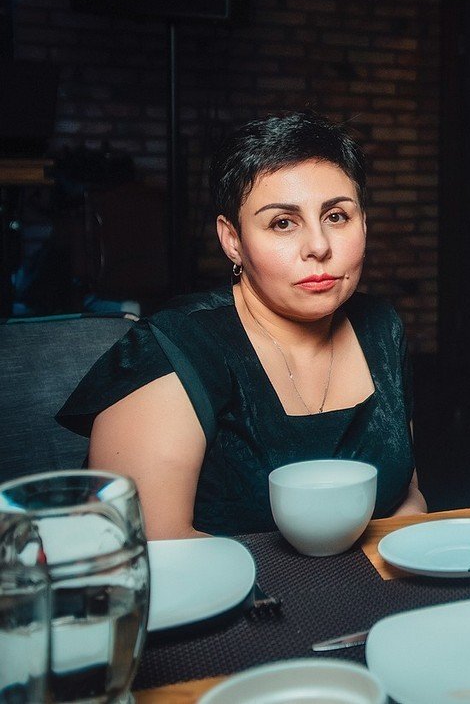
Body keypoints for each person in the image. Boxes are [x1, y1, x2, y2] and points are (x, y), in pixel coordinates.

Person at [58, 111, 427, 538]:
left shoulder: (381, 328)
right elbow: (150, 551)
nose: (318, 246)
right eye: (283, 223)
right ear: (232, 240)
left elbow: (407, 498)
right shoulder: (175, 349)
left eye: (336, 216)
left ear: (363, 222)